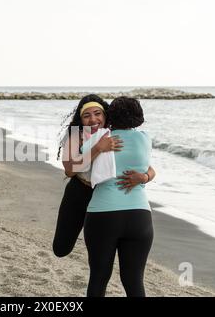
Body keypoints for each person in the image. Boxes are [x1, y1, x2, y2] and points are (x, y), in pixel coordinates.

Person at [52, 94, 155, 258]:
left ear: (106, 115)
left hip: (104, 195)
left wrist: (144, 177)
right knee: (61, 249)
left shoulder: (113, 134)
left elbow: (147, 167)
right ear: (81, 119)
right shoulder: (75, 135)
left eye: (97, 114)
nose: (93, 119)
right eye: (87, 115)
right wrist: (98, 148)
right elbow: (70, 170)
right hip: (79, 192)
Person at [82, 96, 154, 297]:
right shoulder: (145, 139)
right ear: (138, 116)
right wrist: (145, 176)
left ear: (110, 115)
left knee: (99, 276)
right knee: (133, 280)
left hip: (103, 215)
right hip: (139, 216)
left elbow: (80, 164)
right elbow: (148, 168)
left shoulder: (99, 139)